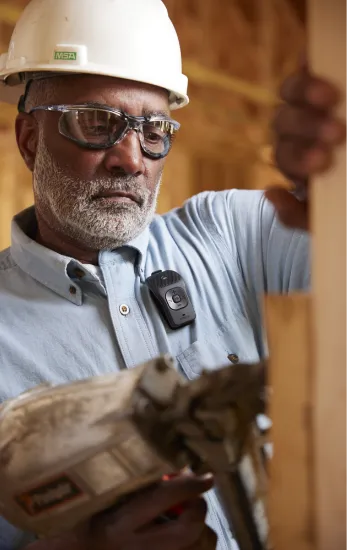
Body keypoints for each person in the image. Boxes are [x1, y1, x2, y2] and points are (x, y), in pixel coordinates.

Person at [0, 0, 345, 549]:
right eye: (96, 123)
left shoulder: (231, 235)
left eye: (154, 129)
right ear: (29, 139)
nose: (131, 159)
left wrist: (338, 174)